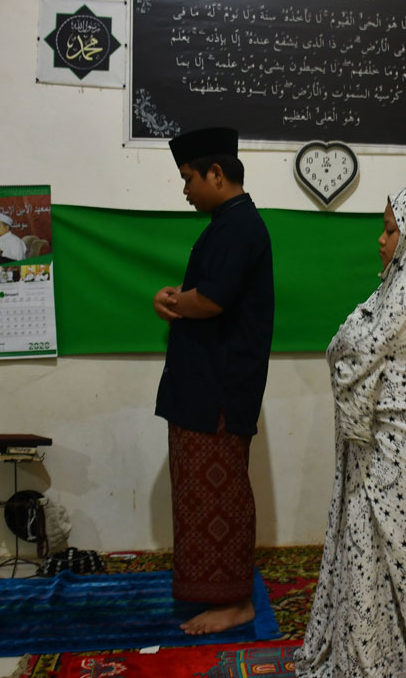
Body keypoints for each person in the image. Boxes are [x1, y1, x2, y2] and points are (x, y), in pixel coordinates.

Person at [295, 184, 406, 678]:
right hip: (387, 444)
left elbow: (354, 347)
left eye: (391, 230)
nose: (381, 240)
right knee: (374, 548)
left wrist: (346, 340)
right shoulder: (399, 285)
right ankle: (377, 653)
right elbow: (354, 347)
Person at [152, 127, 274, 635]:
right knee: (202, 495)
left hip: (218, 394)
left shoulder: (239, 226)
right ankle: (214, 591)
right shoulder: (229, 224)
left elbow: (213, 300)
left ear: (216, 175)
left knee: (218, 496)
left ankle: (234, 602)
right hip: (204, 390)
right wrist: (178, 297)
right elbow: (206, 294)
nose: (184, 190)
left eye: (188, 179)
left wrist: (171, 302)